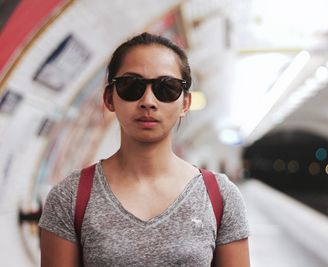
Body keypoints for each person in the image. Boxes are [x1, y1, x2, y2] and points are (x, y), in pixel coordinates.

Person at [39, 32, 250, 267]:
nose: (148, 101)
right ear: (109, 98)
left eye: (166, 88)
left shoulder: (220, 197)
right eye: (131, 86)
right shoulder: (70, 197)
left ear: (185, 103)